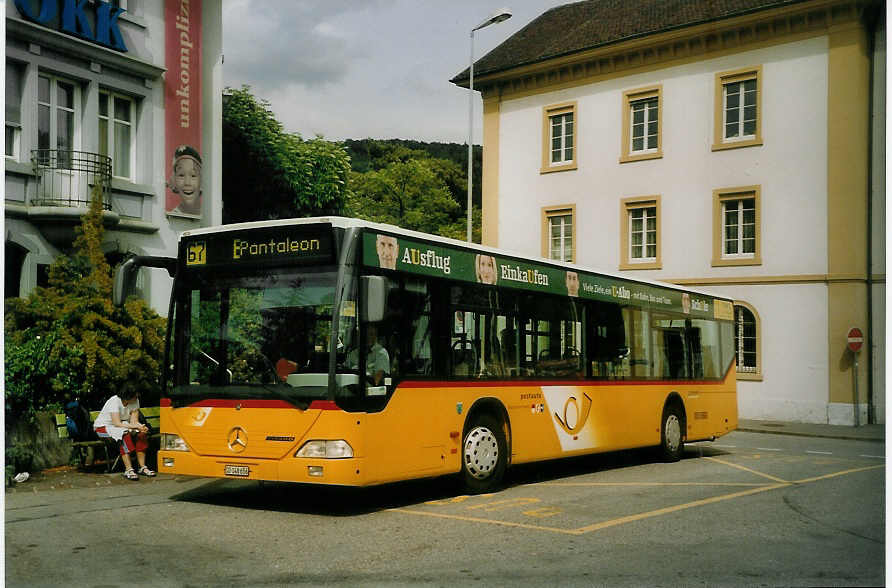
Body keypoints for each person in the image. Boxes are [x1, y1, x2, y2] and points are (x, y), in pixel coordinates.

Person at [93, 384, 155, 480]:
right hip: (103, 427)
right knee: (124, 434)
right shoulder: (114, 401)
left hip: (121, 425)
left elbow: (134, 421)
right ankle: (128, 469)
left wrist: (140, 427)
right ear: (128, 396)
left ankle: (142, 467)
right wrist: (134, 426)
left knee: (141, 434)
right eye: (135, 395)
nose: (137, 397)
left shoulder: (135, 401)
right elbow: (116, 423)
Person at [168, 144, 202, 216]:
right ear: (174, 180)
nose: (187, 183)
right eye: (181, 175)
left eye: (193, 175)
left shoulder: (212, 212)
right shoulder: (173, 217)